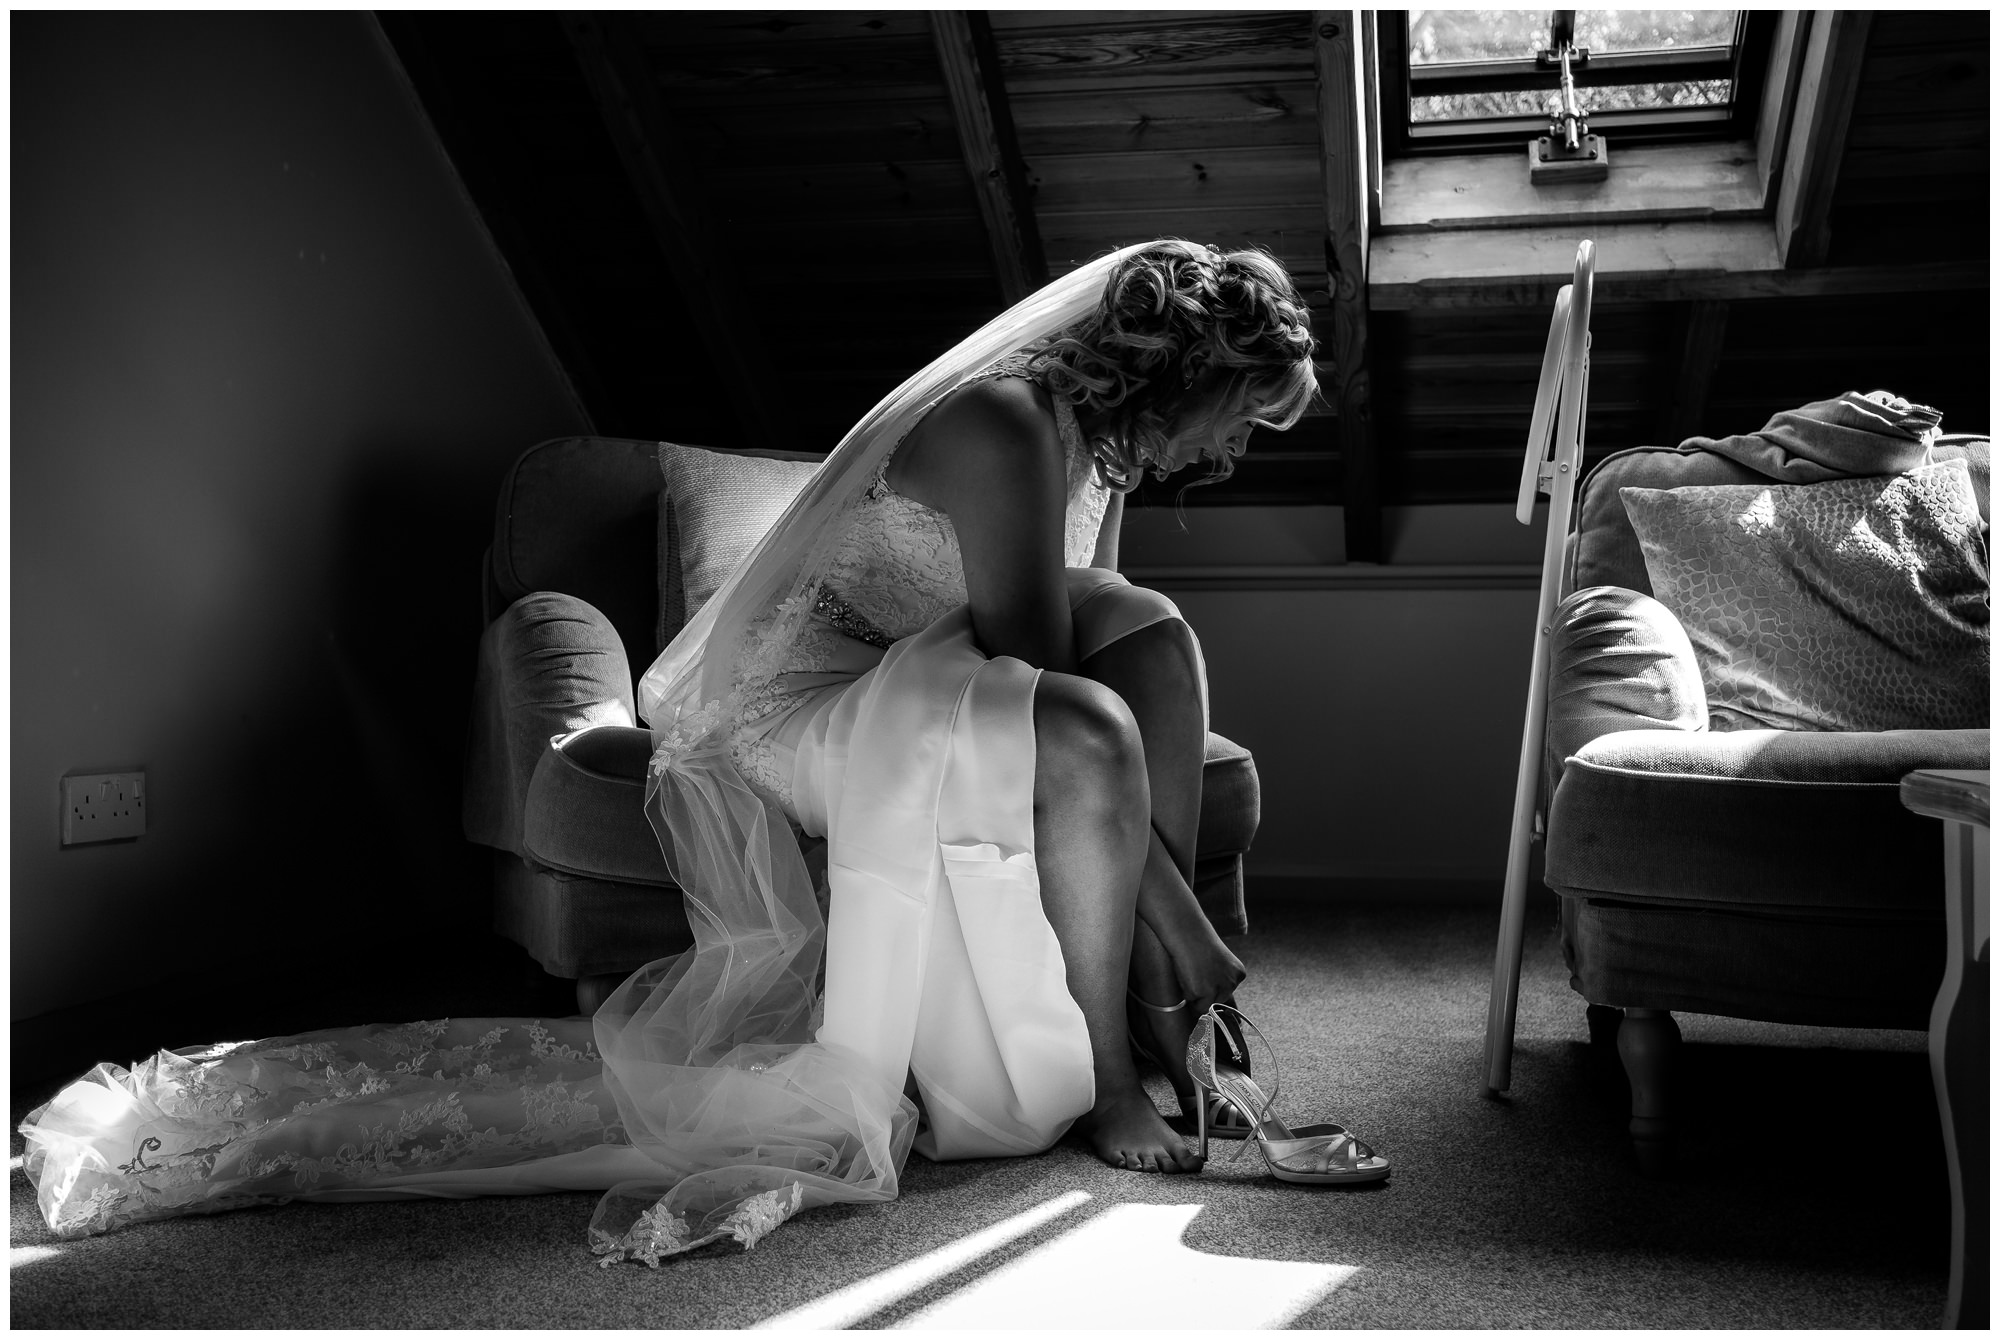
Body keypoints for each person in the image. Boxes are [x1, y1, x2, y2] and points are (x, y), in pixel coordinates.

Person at [20, 240, 1352, 1266]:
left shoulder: (1090, 439)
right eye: (1242, 413)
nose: (1236, 450)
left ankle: (1180, 1029)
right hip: (792, 708)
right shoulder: (1003, 422)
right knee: (1088, 719)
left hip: (914, 665)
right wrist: (1187, 921)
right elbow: (1029, 670)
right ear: (1179, 371)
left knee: (1158, 642)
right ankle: (1139, 1061)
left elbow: (1030, 650)